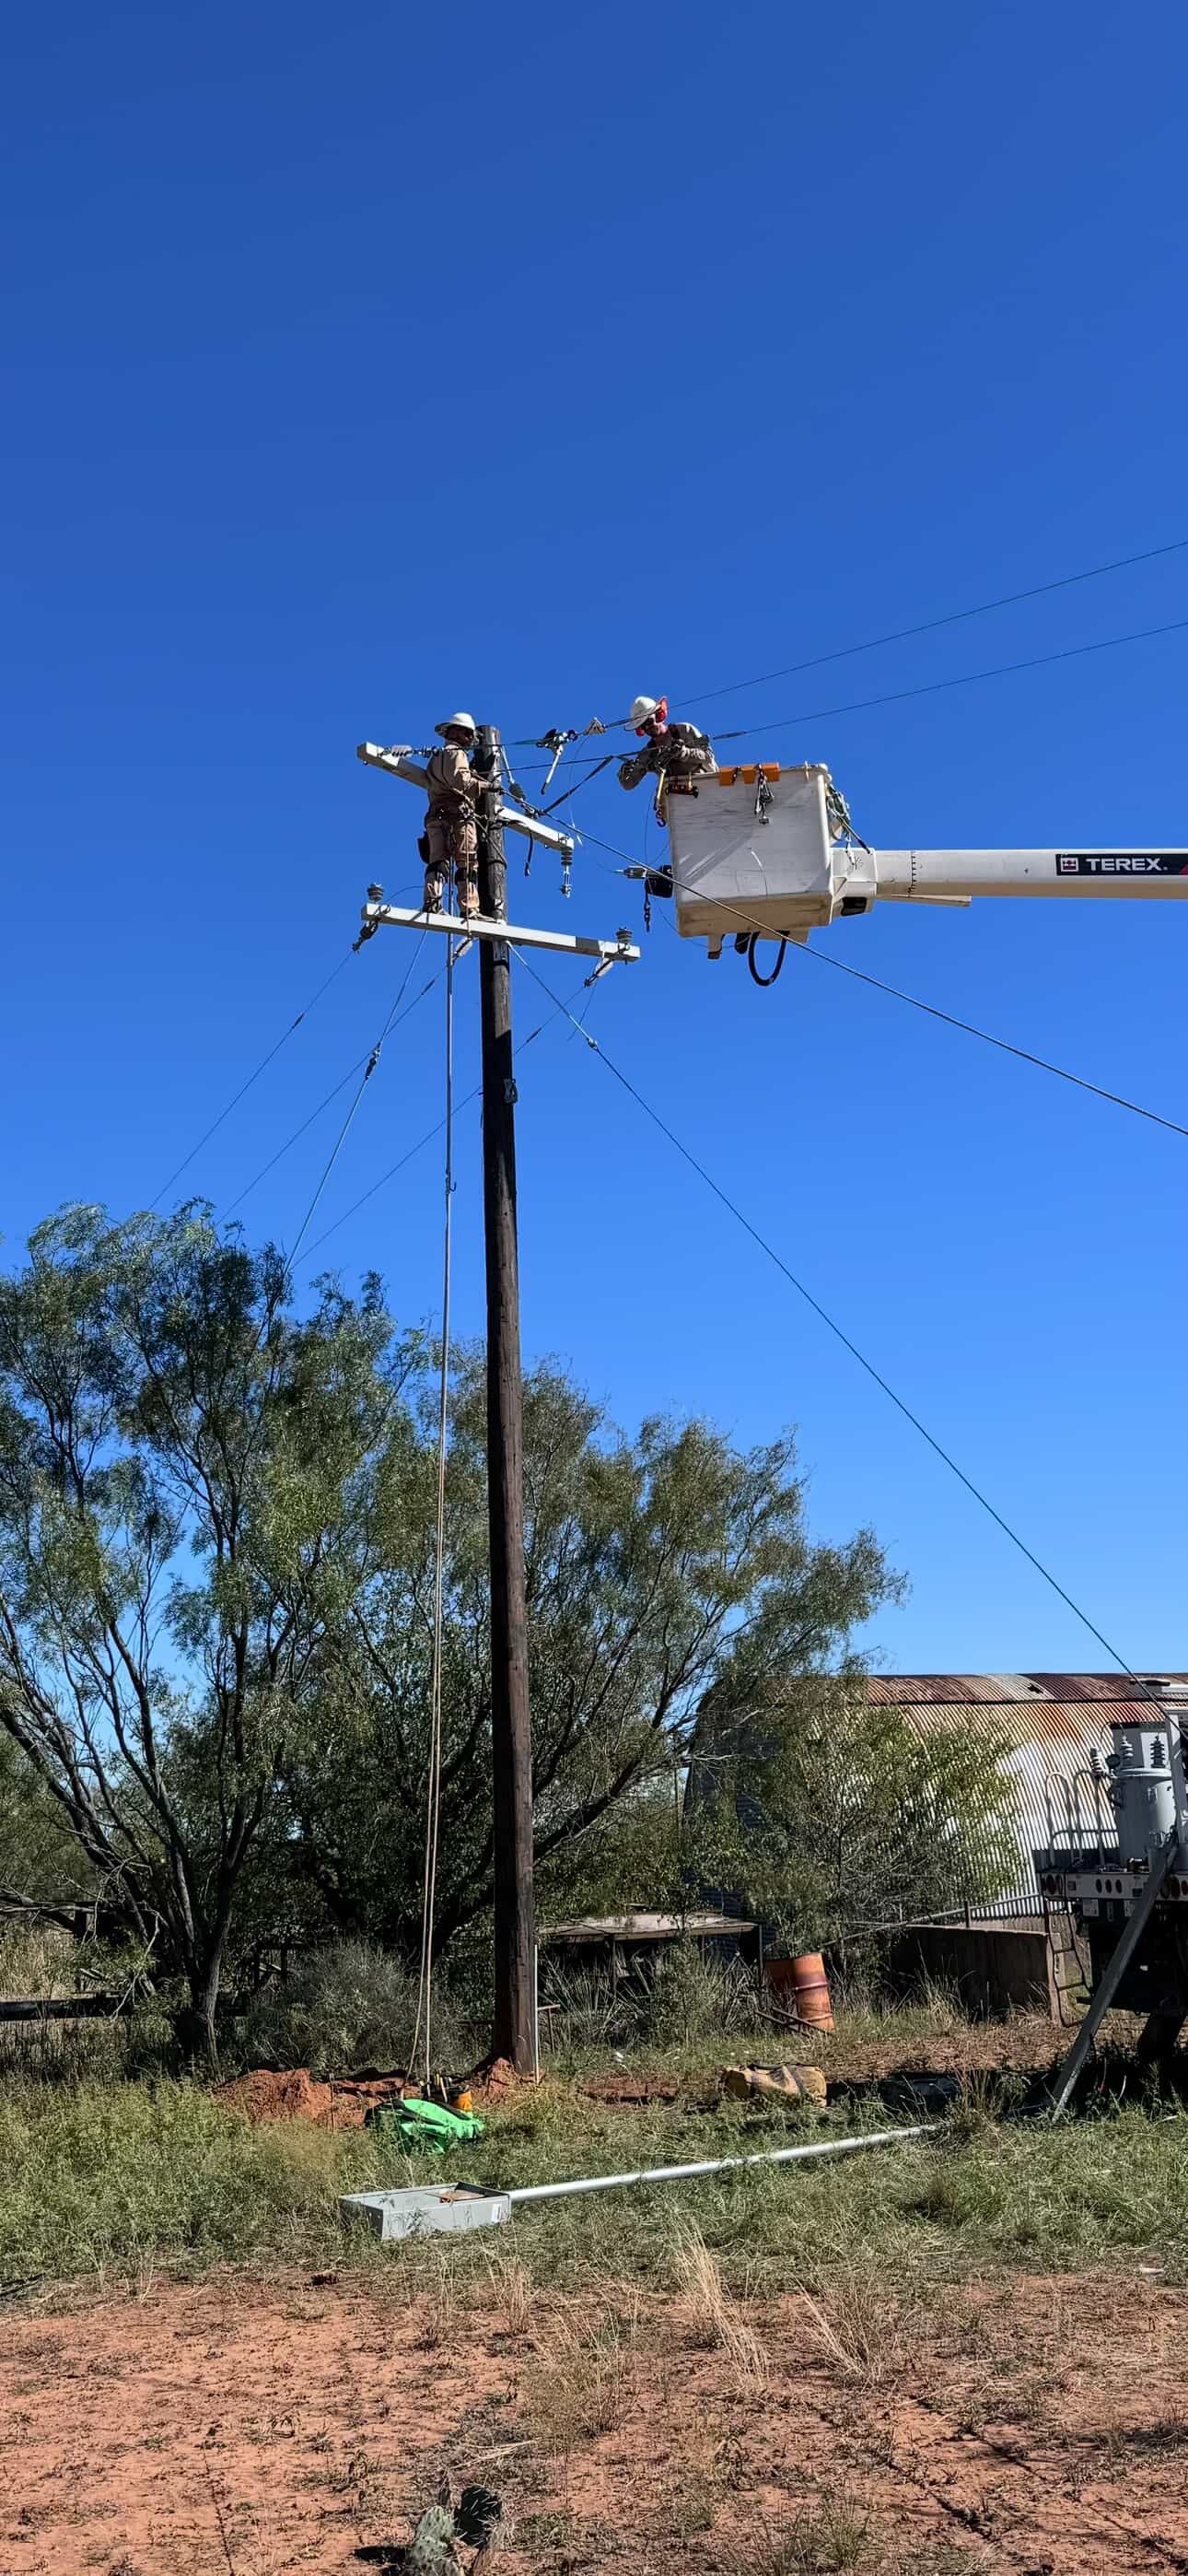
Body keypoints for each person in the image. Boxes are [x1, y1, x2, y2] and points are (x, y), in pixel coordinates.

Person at [422, 712, 483, 918]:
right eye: (468, 735)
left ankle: (432, 903)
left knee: (438, 860)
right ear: (456, 732)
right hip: (458, 816)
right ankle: (469, 909)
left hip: (435, 816)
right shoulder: (457, 754)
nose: (470, 740)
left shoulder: (436, 757)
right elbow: (461, 782)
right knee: (467, 862)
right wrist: (486, 786)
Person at [617, 695, 716, 818]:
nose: (648, 728)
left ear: (658, 715)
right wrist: (623, 773)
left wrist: (683, 753)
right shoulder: (648, 754)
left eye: (649, 722)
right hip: (677, 803)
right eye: (643, 726)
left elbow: (708, 755)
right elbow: (628, 784)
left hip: (704, 788)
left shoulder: (684, 730)